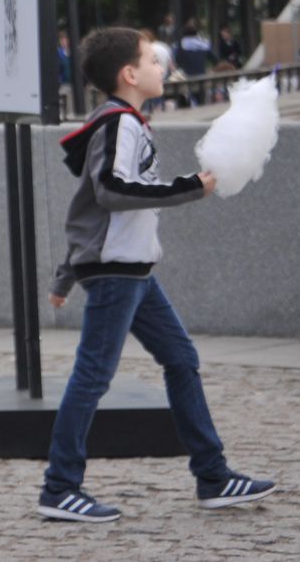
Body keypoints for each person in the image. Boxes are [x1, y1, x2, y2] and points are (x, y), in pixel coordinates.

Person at [41, 26, 276, 523]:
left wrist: (65, 275)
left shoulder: (122, 122)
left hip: (132, 270)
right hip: (117, 272)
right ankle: (60, 487)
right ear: (129, 74)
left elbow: (87, 206)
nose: (162, 65)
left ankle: (213, 476)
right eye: (151, 59)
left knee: (180, 358)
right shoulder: (120, 124)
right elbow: (109, 191)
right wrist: (191, 187)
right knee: (93, 376)